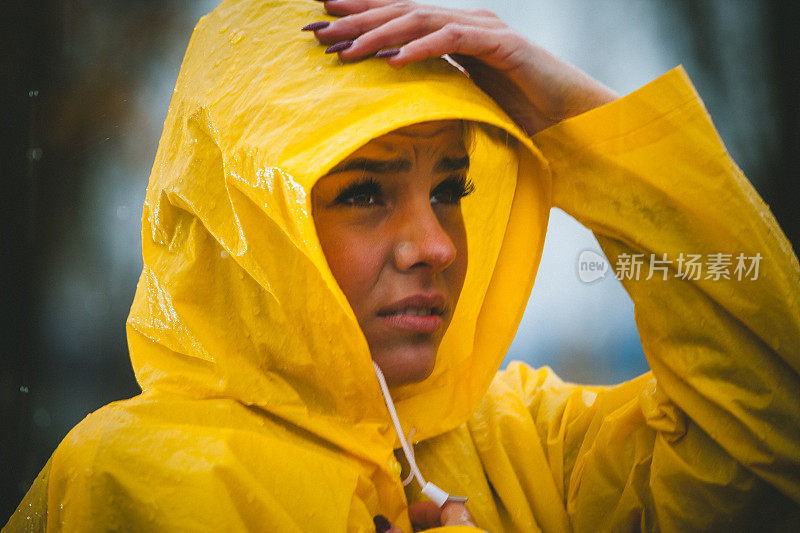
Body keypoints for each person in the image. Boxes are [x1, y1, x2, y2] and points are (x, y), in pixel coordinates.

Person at [5, 0, 800, 531]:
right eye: (364, 192)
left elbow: (768, 428)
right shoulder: (134, 482)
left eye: (451, 187)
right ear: (248, 221)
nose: (439, 244)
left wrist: (586, 131)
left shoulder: (521, 436)